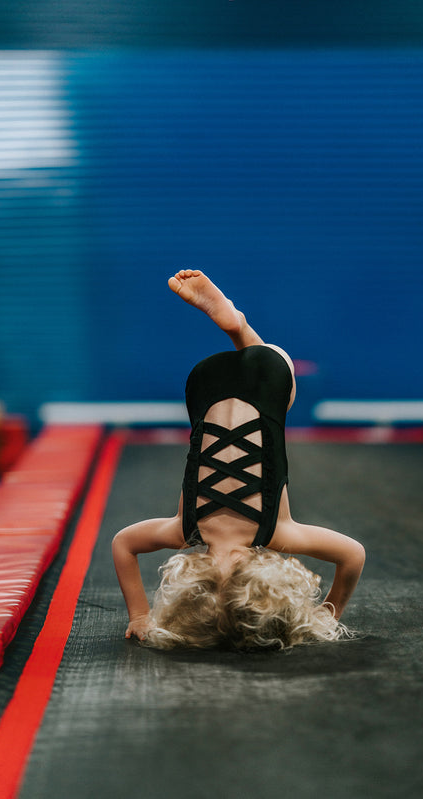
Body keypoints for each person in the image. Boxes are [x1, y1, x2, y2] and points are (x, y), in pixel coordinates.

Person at [112, 270, 365, 651]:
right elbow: (122, 545)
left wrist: (328, 613)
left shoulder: (277, 535)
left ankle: (238, 328)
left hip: (267, 377)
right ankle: (237, 329)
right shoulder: (185, 531)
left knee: (277, 389)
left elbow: (353, 555)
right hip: (204, 386)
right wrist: (139, 614)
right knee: (266, 390)